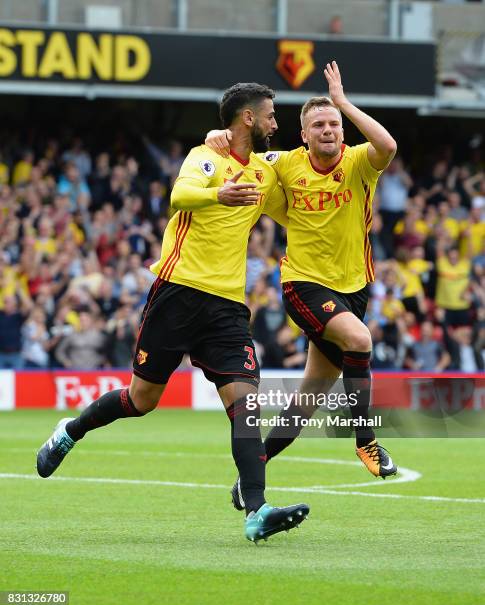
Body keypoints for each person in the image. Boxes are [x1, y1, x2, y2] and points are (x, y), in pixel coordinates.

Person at [37, 82, 309, 543]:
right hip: (177, 294)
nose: (275, 124)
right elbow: (179, 197)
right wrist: (217, 194)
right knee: (142, 401)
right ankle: (71, 430)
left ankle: (257, 511)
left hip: (226, 307)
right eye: (270, 116)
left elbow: (306, 172)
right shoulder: (204, 157)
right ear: (247, 119)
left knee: (246, 407)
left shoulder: (266, 169)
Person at [205, 62, 398, 512]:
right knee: (359, 338)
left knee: (305, 401)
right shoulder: (284, 165)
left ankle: (252, 470)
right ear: (304, 134)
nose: (328, 130)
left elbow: (387, 144)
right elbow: (241, 156)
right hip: (303, 284)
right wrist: (217, 140)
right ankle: (366, 441)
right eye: (319, 124)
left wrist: (343, 102)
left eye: (333, 123)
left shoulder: (358, 163)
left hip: (354, 289)